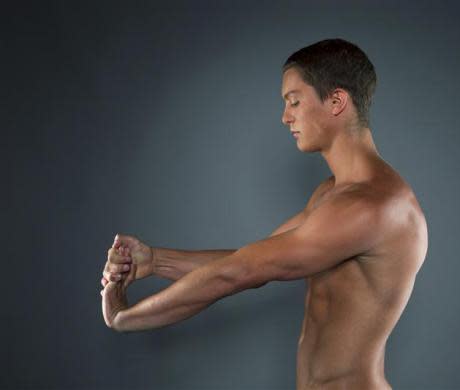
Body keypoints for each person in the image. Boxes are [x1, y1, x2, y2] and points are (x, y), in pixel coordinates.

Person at [100, 38, 428, 390]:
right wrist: (155, 260)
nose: (286, 116)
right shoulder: (332, 194)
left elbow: (240, 273)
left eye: (294, 101)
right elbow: (255, 258)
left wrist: (124, 317)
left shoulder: (374, 206)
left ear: (336, 101)